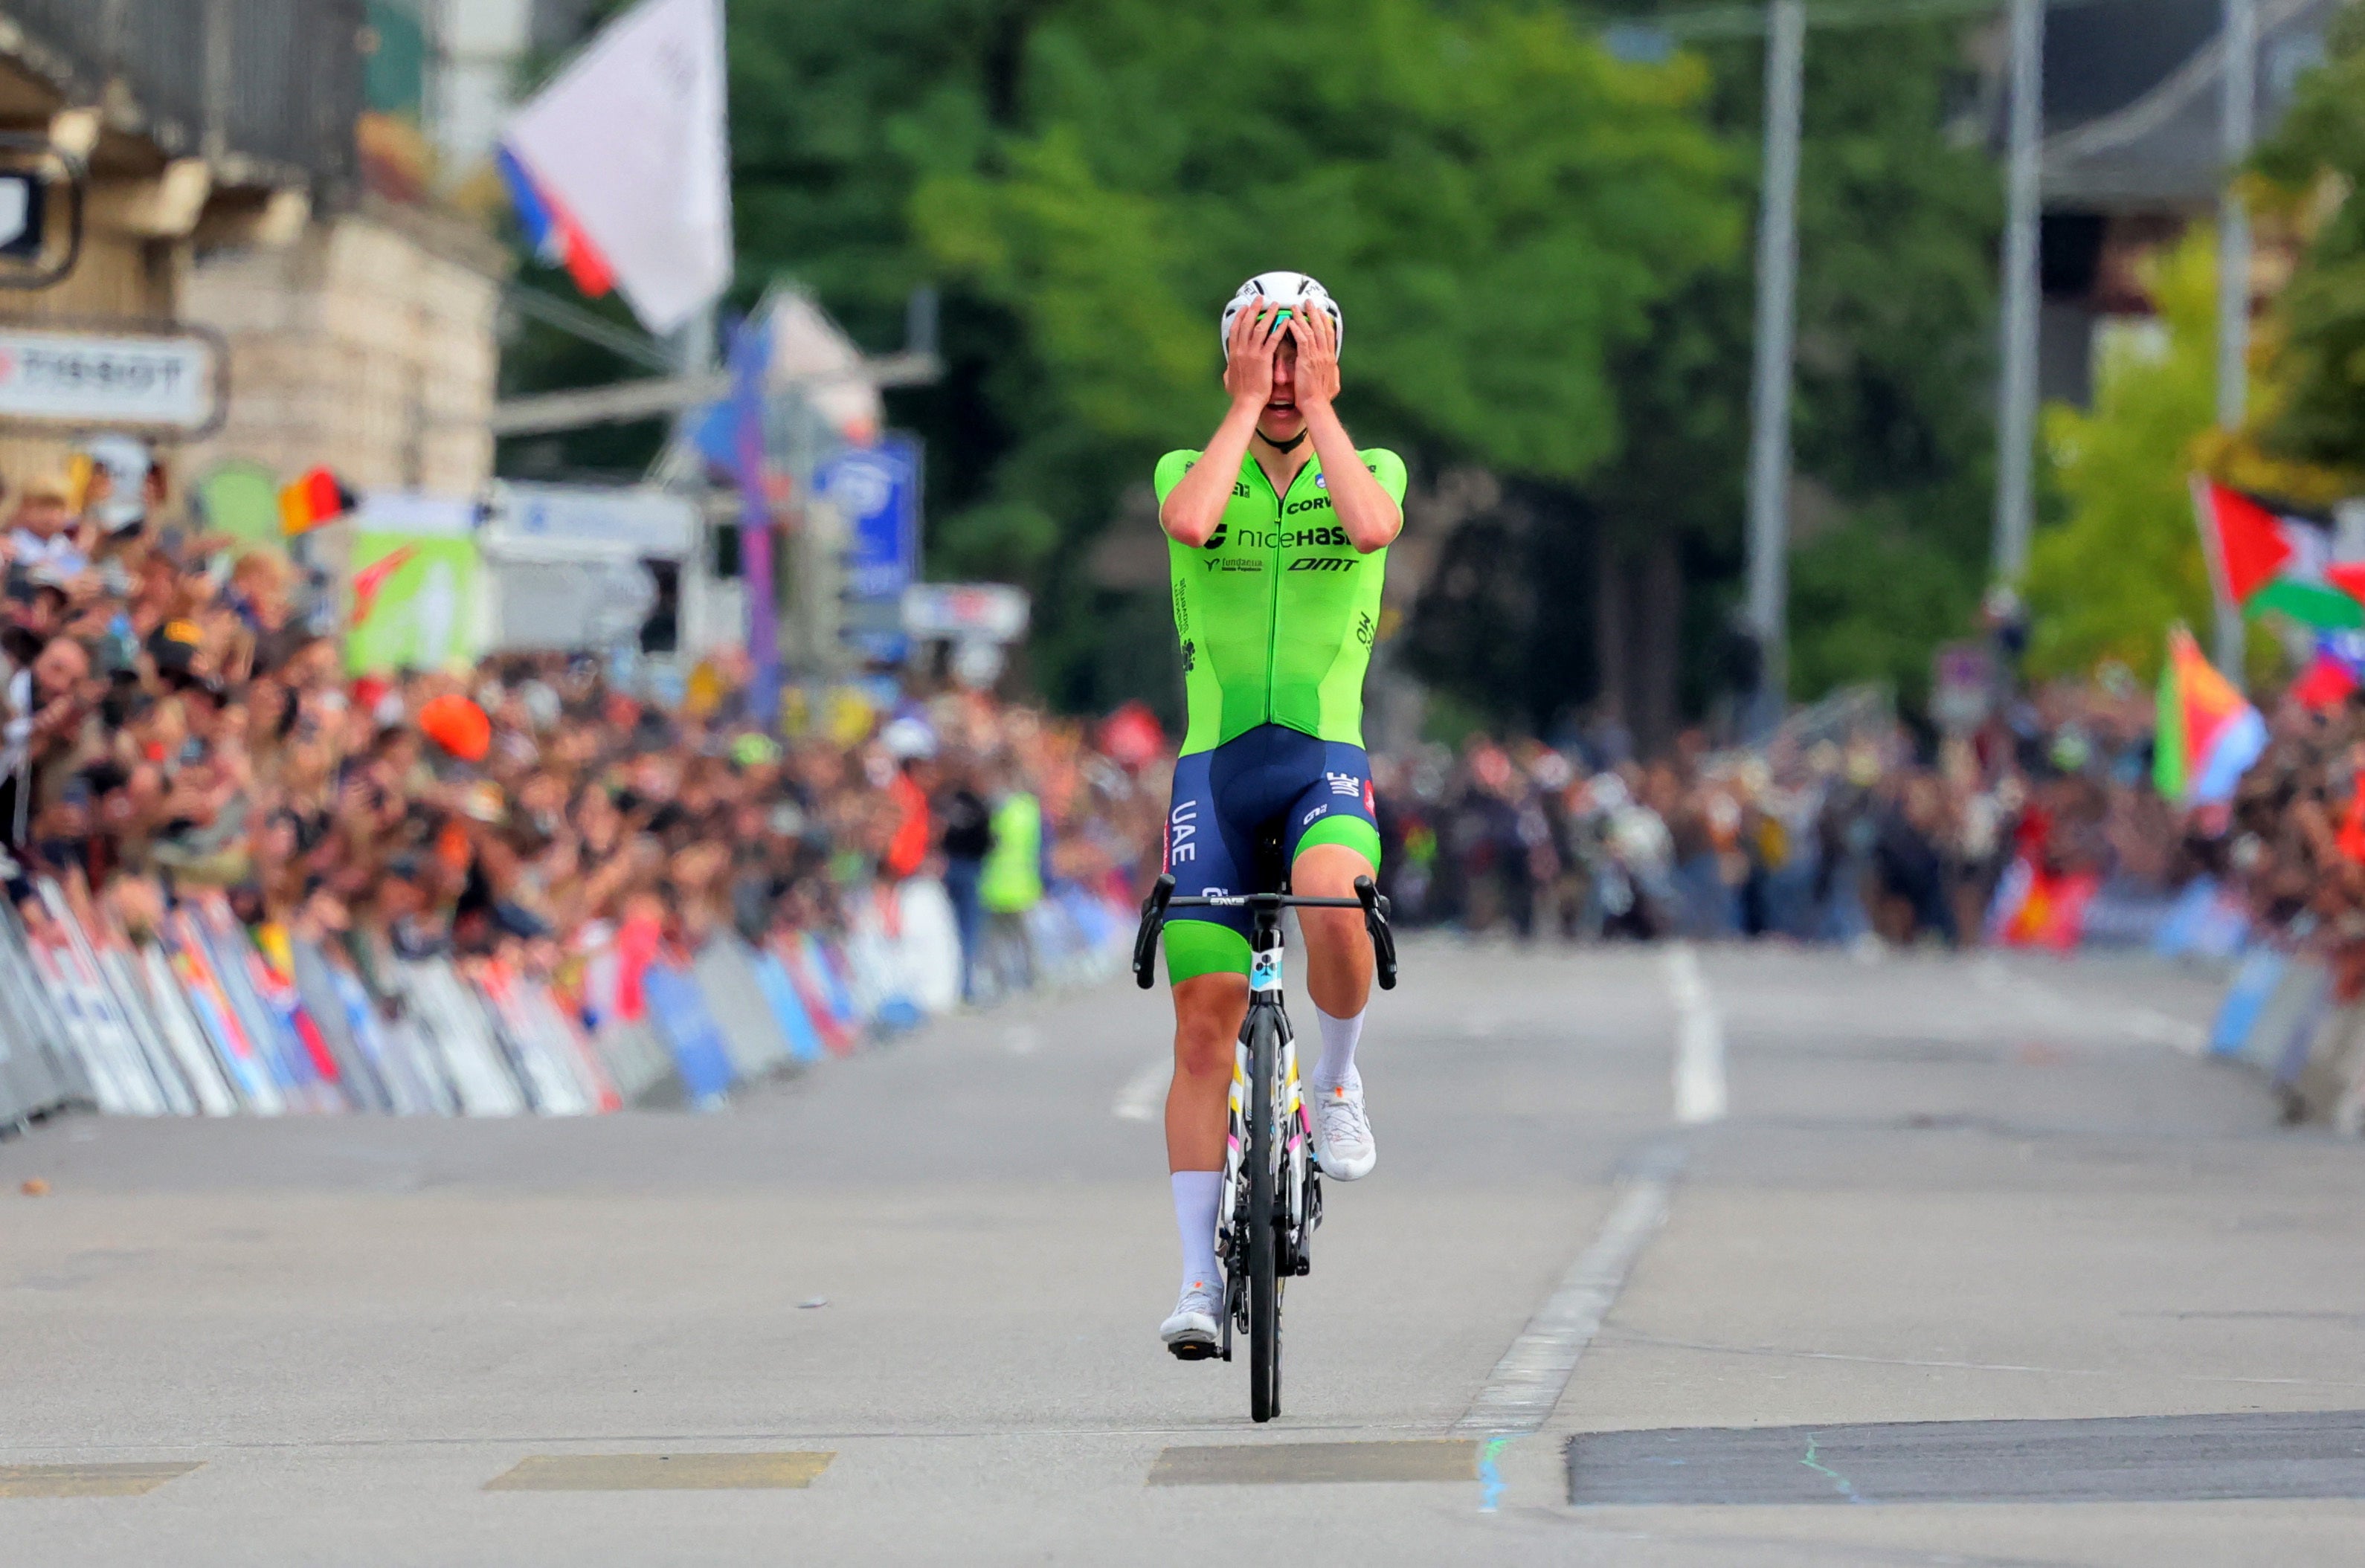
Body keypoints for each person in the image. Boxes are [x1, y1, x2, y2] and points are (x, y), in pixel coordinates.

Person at [1150, 272, 1406, 1356]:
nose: (1288, 374)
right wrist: (1247, 406)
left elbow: (1372, 523)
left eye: (1306, 355)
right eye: (1270, 352)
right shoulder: (1189, 462)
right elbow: (1193, 518)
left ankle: (1337, 1079)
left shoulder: (1371, 461)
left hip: (1321, 759)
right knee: (1204, 1022)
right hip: (1216, 766)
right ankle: (1199, 1281)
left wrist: (1323, 407)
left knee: (1341, 907)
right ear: (1235, 363)